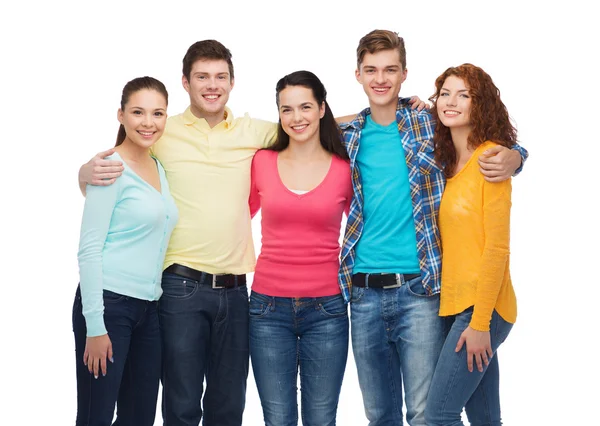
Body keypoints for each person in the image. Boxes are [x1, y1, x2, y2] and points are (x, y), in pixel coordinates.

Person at [77, 39, 429, 426]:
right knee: (180, 405)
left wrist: (392, 108)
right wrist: (85, 174)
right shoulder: (163, 129)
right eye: (202, 77)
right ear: (185, 82)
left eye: (220, 77)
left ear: (232, 81)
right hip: (179, 286)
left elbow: (304, 126)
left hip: (237, 290)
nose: (212, 85)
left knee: (230, 407)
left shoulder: (253, 134)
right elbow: (128, 156)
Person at [336, 30, 529, 426]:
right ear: (357, 74)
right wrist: (320, 114)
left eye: (390, 69)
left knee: (430, 414)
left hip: (422, 290)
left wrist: (516, 156)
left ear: (405, 73)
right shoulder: (350, 135)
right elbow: (303, 121)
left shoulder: (429, 124)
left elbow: (492, 142)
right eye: (370, 70)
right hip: (364, 291)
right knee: (382, 416)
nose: (380, 78)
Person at [248, 70, 352, 426]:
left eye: (306, 107)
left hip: (327, 310)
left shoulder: (344, 169)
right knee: (277, 419)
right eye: (286, 109)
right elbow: (233, 215)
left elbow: (364, 229)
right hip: (266, 310)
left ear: (323, 108)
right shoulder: (261, 161)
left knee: (321, 419)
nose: (297, 118)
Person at [73, 76, 178, 426]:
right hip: (109, 306)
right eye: (138, 112)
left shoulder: (159, 167)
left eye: (157, 113)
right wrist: (95, 325)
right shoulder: (110, 167)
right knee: (96, 417)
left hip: (149, 310)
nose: (148, 122)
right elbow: (88, 249)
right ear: (121, 115)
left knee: (139, 417)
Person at [424, 64, 518, 426]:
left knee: (439, 415)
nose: (451, 102)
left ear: (481, 105)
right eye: (445, 93)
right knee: (484, 417)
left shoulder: (492, 160)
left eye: (464, 95)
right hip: (452, 304)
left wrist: (480, 323)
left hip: (483, 309)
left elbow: (497, 249)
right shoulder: (447, 163)